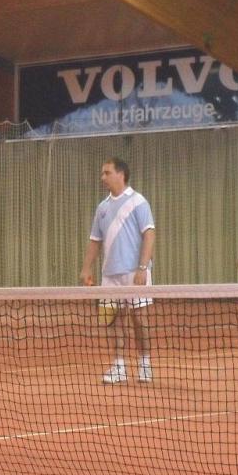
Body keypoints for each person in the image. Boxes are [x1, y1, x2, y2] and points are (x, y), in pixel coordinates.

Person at [80, 157, 156, 384]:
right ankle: (119, 366)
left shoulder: (138, 201)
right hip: (109, 275)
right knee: (114, 321)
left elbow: (149, 234)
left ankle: (145, 364)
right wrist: (86, 268)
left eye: (107, 173)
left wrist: (142, 267)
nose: (102, 177)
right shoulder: (102, 208)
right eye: (102, 173)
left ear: (120, 174)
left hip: (135, 273)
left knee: (139, 320)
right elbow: (95, 240)